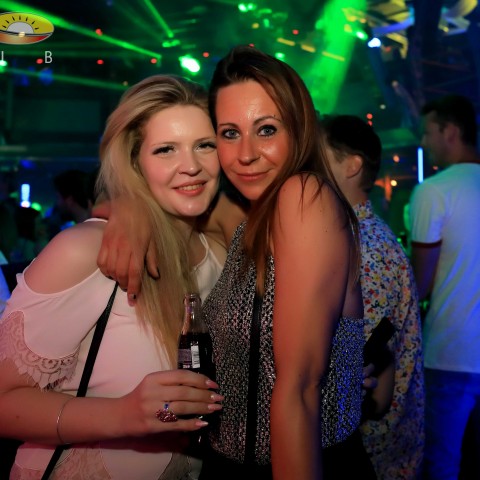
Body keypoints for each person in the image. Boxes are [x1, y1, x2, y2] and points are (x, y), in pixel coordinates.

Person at [97, 46, 376, 479]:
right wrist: (128, 208)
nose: (245, 154)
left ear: (299, 128)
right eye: (229, 133)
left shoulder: (304, 195)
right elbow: (160, 201)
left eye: (266, 130)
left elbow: (299, 389)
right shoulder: (247, 219)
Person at [0, 75, 227, 479]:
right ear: (135, 163)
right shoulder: (85, 252)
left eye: (205, 145)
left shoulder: (219, 256)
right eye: (165, 149)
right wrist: (123, 414)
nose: (191, 165)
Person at [322, 114, 425, 479]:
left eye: (318, 154)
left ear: (352, 166)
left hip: (371, 456)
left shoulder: (362, 247)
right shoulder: (357, 233)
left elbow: (368, 385)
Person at [409, 94, 480, 480]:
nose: (424, 142)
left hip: (451, 353)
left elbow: (419, 285)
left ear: (450, 131)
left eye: (428, 132)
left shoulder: (434, 191)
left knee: (442, 464)